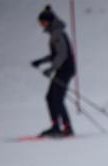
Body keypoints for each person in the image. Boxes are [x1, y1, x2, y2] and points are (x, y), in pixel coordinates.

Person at [31, 5, 76, 137]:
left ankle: (66, 127)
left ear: (48, 21)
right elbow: (55, 55)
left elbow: (62, 55)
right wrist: (41, 61)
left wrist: (51, 69)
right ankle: (56, 125)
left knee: (56, 98)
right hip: (62, 69)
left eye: (42, 21)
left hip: (65, 69)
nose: (40, 24)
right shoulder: (55, 32)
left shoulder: (57, 34)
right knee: (51, 97)